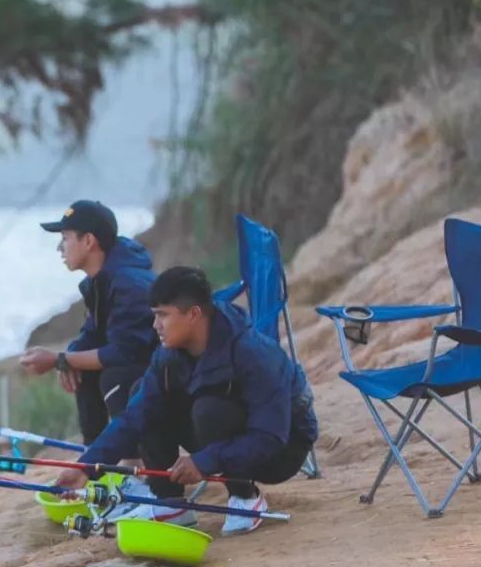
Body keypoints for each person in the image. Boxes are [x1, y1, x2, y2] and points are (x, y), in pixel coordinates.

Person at [54, 266, 318, 536]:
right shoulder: (168, 354)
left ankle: (246, 499)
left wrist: (204, 461)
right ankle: (170, 505)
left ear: (193, 314)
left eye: (162, 316)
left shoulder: (253, 353)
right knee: (141, 396)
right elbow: (135, 417)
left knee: (210, 411)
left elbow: (270, 436)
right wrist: (86, 468)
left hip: (284, 448)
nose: (155, 325)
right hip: (227, 437)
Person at [20, 200, 158, 445]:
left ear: (88, 241)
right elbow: (92, 334)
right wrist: (69, 358)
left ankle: (132, 471)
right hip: (139, 366)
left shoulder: (127, 283)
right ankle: (97, 470)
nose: (59, 248)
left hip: (164, 376)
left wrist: (58, 359)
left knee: (114, 375)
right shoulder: (102, 279)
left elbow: (125, 353)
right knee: (82, 369)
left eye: (65, 237)